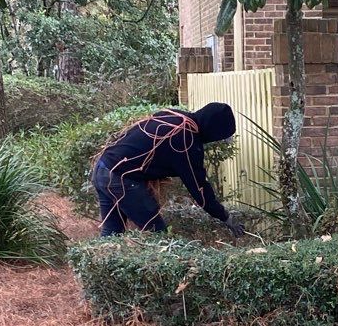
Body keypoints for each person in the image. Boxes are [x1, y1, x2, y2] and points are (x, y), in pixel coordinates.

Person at [92, 102, 247, 238]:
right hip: (120, 179)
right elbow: (200, 189)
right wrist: (225, 217)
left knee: (112, 233)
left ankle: (99, 270)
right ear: (214, 130)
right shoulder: (186, 141)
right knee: (158, 236)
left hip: (102, 168)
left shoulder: (174, 116)